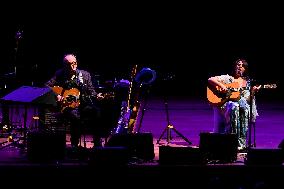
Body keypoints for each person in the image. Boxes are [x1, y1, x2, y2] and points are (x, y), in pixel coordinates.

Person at [45, 53, 103, 148]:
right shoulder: (60, 74)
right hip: (67, 106)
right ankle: (74, 145)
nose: (73, 66)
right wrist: (57, 95)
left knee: (96, 111)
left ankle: (97, 144)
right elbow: (47, 86)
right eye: (70, 64)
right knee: (75, 116)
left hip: (82, 104)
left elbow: (91, 91)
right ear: (65, 65)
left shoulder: (85, 75)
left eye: (75, 63)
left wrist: (97, 96)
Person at [207, 58, 261, 150]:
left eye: (242, 65)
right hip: (226, 104)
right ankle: (232, 142)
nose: (240, 67)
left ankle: (241, 143)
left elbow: (248, 99)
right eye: (238, 64)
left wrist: (252, 92)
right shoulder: (228, 78)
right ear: (234, 67)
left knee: (244, 107)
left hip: (241, 105)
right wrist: (223, 86)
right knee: (234, 106)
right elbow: (210, 79)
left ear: (245, 69)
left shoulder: (247, 83)